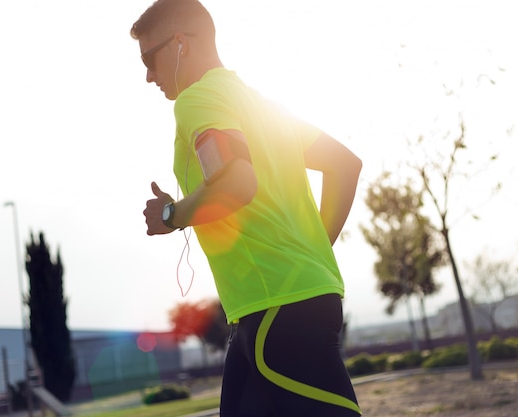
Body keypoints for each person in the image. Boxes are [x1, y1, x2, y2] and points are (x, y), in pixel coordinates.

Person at [133, 1, 362, 415]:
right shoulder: (260, 105)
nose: (148, 75)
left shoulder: (196, 100)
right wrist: (313, 251)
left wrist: (172, 216)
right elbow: (345, 166)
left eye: (150, 58)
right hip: (270, 311)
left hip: (277, 311)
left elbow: (236, 182)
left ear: (181, 44)